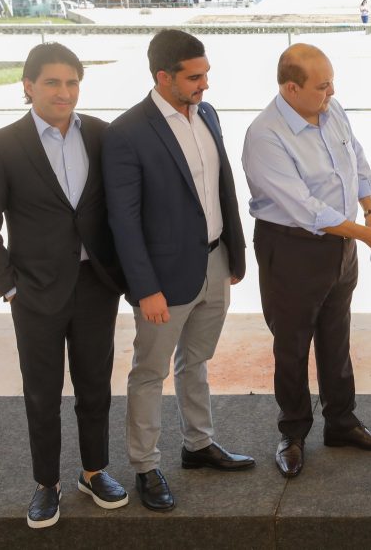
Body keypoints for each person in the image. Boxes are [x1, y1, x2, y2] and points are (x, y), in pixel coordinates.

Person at [0, 43, 128, 528]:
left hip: (95, 286)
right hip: (34, 291)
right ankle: (46, 484)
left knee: (96, 386)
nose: (65, 92)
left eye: (73, 82)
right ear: (28, 86)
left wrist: (119, 276)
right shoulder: (1, 145)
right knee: (41, 392)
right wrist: (9, 287)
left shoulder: (102, 135)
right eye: (54, 82)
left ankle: (94, 471)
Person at [102, 29, 253, 513]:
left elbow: (222, 187)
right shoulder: (126, 133)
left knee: (198, 361)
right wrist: (144, 289)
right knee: (149, 373)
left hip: (214, 263)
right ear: (162, 77)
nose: (204, 85)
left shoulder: (206, 113)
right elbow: (122, 220)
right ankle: (145, 466)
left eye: (206, 74)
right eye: (194, 77)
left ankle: (198, 445)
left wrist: (233, 254)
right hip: (163, 281)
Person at [243, 43, 371, 479]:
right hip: (291, 246)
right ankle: (292, 434)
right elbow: (306, 209)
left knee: (337, 337)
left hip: (343, 243)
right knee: (292, 346)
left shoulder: (332, 110)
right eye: (322, 86)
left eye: (332, 82)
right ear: (290, 87)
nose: (331, 92)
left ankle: (342, 422)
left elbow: (358, 161)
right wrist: (367, 235)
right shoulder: (265, 135)